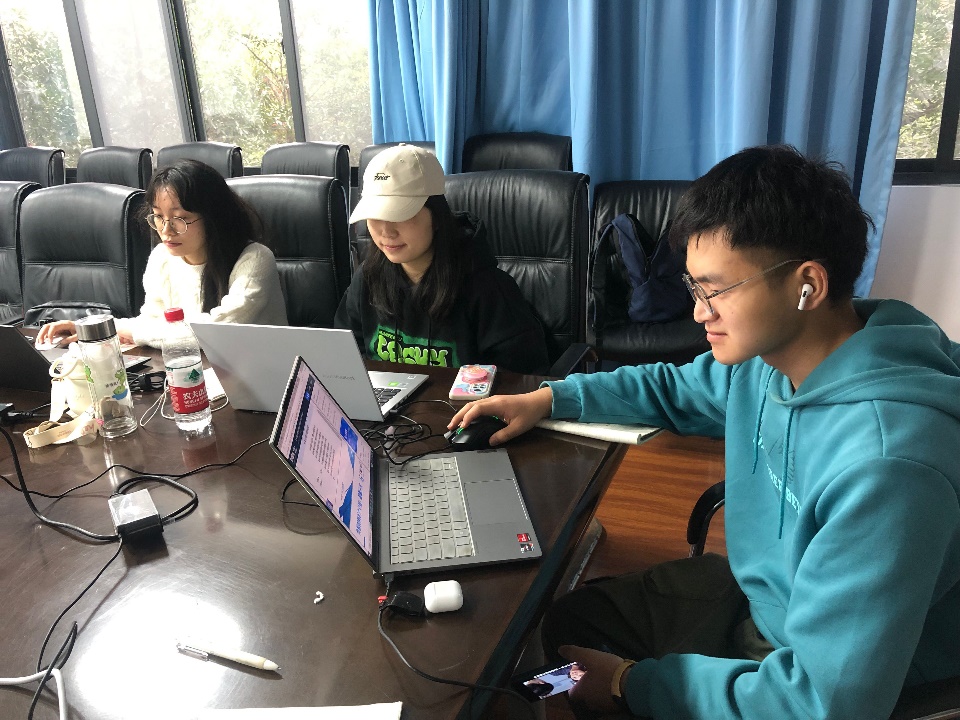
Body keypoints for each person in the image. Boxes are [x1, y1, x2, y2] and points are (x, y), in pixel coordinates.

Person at [450, 145, 960, 718]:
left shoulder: (889, 467)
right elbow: (671, 387)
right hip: (767, 599)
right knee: (568, 627)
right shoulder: (771, 359)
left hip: (827, 670)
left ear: (808, 285)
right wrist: (549, 398)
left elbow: (823, 703)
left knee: (588, 680)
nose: (699, 313)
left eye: (715, 291)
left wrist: (627, 684)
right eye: (695, 289)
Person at [334, 143, 549, 374]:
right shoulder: (368, 277)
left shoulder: (489, 289)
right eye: (375, 215)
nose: (386, 231)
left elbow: (520, 379)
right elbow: (345, 354)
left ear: (436, 217)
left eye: (400, 215)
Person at [37, 159, 287, 349]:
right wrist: (92, 329)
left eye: (180, 218)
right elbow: (152, 322)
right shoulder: (162, 257)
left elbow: (218, 332)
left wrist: (130, 332)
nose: (166, 230)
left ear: (214, 217)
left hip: (261, 377)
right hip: (196, 373)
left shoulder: (254, 259)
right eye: (158, 216)